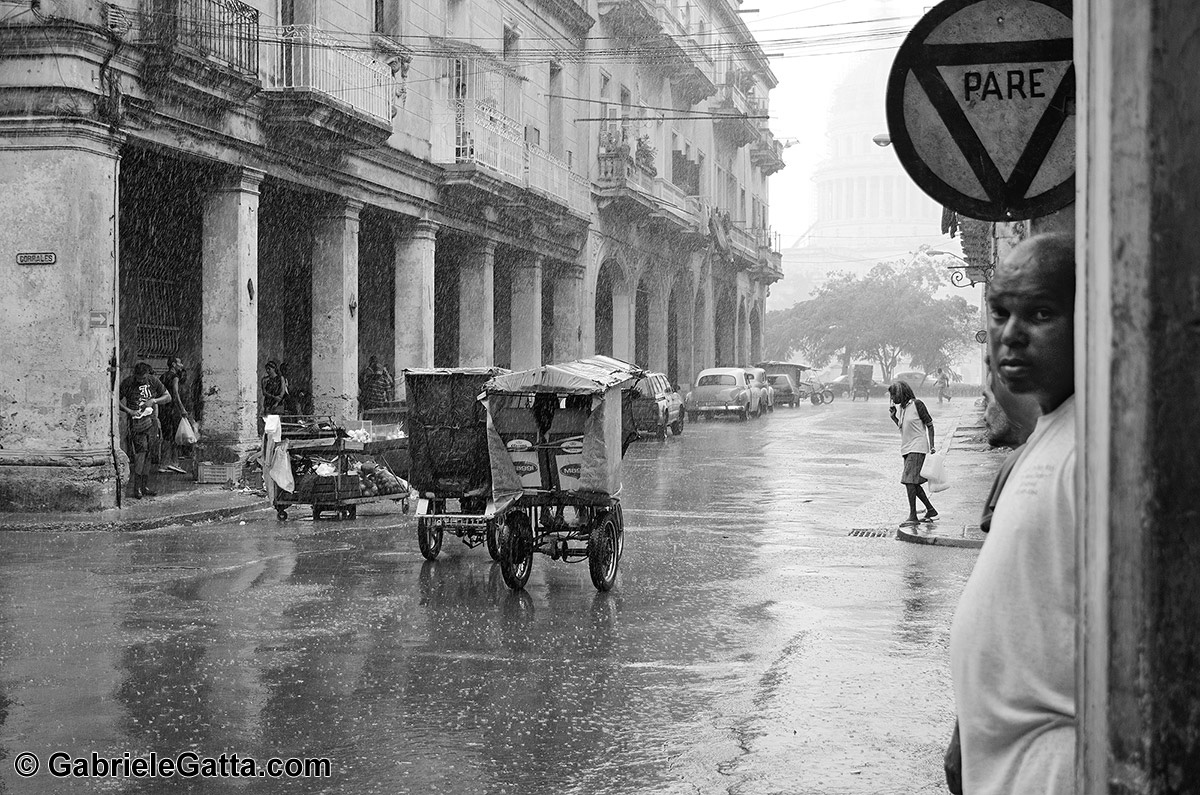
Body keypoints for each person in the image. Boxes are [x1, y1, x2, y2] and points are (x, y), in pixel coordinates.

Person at [946, 232, 1076, 795]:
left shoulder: (1101, 451)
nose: (1010, 336)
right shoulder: (1048, 435)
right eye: (1000, 312)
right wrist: (965, 731)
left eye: (1041, 313)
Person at [887, 379, 937, 526]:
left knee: (908, 481)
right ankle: (931, 510)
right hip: (907, 449)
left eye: (893, 396)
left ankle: (913, 516)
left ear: (901, 393)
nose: (892, 399)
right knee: (913, 483)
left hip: (917, 447)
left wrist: (932, 446)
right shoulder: (902, 409)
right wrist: (894, 418)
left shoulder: (917, 404)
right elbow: (904, 428)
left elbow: (930, 425)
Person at [119, 361, 169, 499]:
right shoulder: (128, 383)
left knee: (149, 453)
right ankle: (137, 487)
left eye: (144, 378)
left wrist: (154, 401)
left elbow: (167, 397)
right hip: (136, 422)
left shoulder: (153, 381)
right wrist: (129, 411)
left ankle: (144, 485)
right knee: (141, 452)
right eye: (139, 378)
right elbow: (115, 400)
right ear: (135, 375)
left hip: (151, 420)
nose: (141, 380)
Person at [158, 356, 191, 475]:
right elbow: (175, 393)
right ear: (173, 365)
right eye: (179, 363)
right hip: (172, 409)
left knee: (167, 436)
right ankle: (173, 462)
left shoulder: (163, 376)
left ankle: (165, 463)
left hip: (164, 409)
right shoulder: (175, 377)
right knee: (175, 437)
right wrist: (182, 408)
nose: (181, 365)